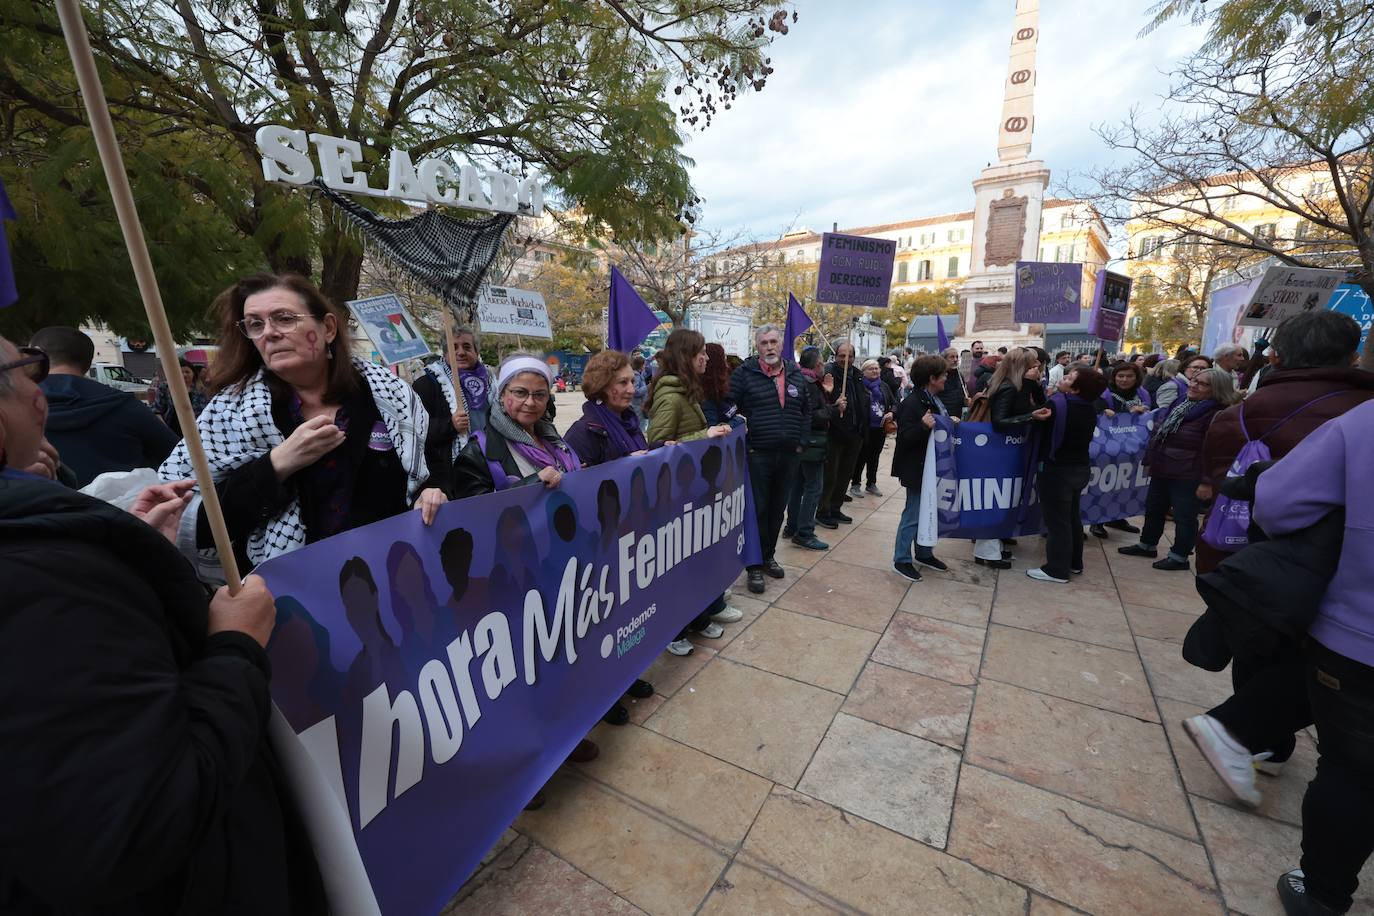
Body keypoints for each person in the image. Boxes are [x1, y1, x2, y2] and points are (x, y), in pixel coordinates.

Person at [0, 333, 327, 914]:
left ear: (326, 329)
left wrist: (130, 550)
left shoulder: (50, 552)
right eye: (28, 371)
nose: (41, 390)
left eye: (34, 367)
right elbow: (139, 820)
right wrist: (235, 646)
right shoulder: (37, 578)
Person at [159, 274, 446, 572]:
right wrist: (276, 465)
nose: (269, 333)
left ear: (328, 329)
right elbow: (193, 524)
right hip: (285, 590)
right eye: (255, 324)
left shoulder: (389, 395)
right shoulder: (229, 414)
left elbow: (431, 464)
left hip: (390, 575)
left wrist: (432, 490)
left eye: (284, 319)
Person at [1247, 401, 1374, 915]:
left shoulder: (1362, 423)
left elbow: (1276, 504)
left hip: (1360, 629)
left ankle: (1321, 892)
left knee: (1352, 769)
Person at [1199, 310, 1373, 575]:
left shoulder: (1234, 415)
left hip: (1240, 563)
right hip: (1346, 567)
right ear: (1353, 357)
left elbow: (1222, 481)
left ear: (1274, 357)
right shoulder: (1365, 411)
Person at [559, 349, 659, 725]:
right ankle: (603, 693)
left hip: (630, 534)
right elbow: (576, 490)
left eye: (633, 381)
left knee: (627, 614)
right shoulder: (584, 432)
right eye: (623, 382)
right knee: (602, 622)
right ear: (602, 386)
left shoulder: (629, 421)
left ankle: (625, 674)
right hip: (600, 542)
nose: (632, 389)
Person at [642, 329, 734, 650]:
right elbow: (657, 446)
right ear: (686, 356)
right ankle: (674, 630)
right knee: (678, 566)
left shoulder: (686, 390)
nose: (706, 358)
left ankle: (696, 617)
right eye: (700, 353)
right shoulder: (671, 396)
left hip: (692, 490)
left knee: (695, 561)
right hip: (675, 495)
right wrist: (704, 436)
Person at [1118, 367, 1242, 571]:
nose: (1194, 385)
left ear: (1217, 389)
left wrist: (1206, 481)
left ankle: (1179, 556)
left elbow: (1214, 450)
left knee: (1184, 516)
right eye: (1194, 380)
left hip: (1190, 473)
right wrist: (1150, 460)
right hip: (1163, 465)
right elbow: (1160, 432)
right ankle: (1147, 544)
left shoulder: (1218, 414)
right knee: (1154, 508)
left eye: (1202, 384)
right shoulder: (1181, 402)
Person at [30, 325, 178, 487]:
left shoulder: (16, 410)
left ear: (37, 355)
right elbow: (177, 456)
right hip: (126, 501)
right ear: (88, 362)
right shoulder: (124, 405)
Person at [730, 324, 807, 594]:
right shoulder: (744, 374)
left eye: (773, 342)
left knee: (777, 510)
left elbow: (806, 410)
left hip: (789, 455)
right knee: (757, 511)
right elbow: (729, 407)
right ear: (757, 346)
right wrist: (744, 434)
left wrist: (801, 442)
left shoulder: (795, 374)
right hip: (758, 454)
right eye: (764, 343)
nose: (769, 347)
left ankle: (768, 556)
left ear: (781, 345)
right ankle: (753, 566)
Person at [1027, 366, 1108, 583]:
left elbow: (1038, 425)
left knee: (1057, 522)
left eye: (1070, 378)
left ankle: (1056, 569)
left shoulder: (1058, 404)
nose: (1064, 378)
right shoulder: (1090, 406)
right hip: (1079, 468)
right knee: (1072, 518)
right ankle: (1074, 562)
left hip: (1057, 470)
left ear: (1076, 389)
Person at [978, 348, 1048, 568]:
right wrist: (1030, 416)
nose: (1038, 368)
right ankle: (987, 552)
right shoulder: (1008, 387)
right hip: (1000, 452)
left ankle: (993, 545)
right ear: (1021, 367)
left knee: (1005, 499)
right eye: (1033, 365)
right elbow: (999, 422)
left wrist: (1035, 386)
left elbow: (1041, 403)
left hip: (1011, 450)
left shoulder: (1021, 385)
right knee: (996, 500)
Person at [890, 355, 953, 581]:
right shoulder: (911, 403)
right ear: (932, 378)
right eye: (943, 375)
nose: (946, 378)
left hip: (931, 467)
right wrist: (922, 426)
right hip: (916, 468)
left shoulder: (932, 400)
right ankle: (901, 559)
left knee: (929, 511)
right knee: (914, 513)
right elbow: (904, 438)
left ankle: (924, 552)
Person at [413, 325, 497, 494]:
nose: (460, 352)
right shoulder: (427, 383)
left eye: (467, 347)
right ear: (445, 353)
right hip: (450, 476)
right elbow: (416, 431)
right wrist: (450, 425)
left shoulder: (492, 382)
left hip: (491, 465)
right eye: (454, 347)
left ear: (476, 351)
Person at [1088, 361, 1151, 539]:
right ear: (1114, 377)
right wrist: (1104, 412)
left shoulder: (1142, 394)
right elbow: (1095, 413)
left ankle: (1117, 517)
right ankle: (1097, 521)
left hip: (1133, 447)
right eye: (1120, 376)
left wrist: (1143, 411)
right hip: (1108, 448)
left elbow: (1150, 412)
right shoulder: (1104, 393)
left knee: (1124, 483)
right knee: (1104, 483)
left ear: (1137, 378)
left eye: (1129, 376)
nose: (1124, 380)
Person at [783, 346, 836, 550]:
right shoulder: (811, 384)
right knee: (813, 487)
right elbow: (812, 415)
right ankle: (804, 532)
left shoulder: (796, 380)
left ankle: (792, 526)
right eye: (822, 363)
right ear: (817, 364)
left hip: (798, 442)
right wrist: (833, 410)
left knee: (797, 486)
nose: (824, 367)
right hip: (811, 442)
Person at [817, 341, 868, 529]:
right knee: (830, 475)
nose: (846, 360)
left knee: (845, 475)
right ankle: (823, 511)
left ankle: (835, 507)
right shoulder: (828, 374)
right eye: (842, 356)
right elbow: (821, 402)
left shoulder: (857, 375)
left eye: (850, 356)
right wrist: (833, 402)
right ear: (835, 355)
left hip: (854, 432)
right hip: (834, 432)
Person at [849, 358, 895, 499]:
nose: (875, 371)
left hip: (879, 428)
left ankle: (871, 483)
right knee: (861, 456)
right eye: (871, 368)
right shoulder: (858, 386)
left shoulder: (884, 386)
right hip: (864, 428)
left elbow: (894, 403)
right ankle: (855, 483)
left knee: (874, 457)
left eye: (876, 368)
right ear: (863, 371)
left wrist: (892, 412)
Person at [152, 357, 212, 438]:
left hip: (196, 432)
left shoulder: (202, 391)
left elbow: (208, 412)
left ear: (193, 374)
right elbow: (156, 411)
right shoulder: (165, 388)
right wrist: (165, 430)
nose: (184, 375)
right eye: (180, 372)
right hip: (170, 431)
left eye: (187, 372)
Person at [700, 342, 744, 429]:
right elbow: (713, 430)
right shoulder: (706, 398)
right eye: (724, 360)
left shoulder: (723, 388)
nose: (727, 365)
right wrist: (739, 421)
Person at [937, 347, 969, 418]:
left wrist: (965, 401)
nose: (955, 360)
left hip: (957, 416)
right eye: (952, 357)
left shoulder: (959, 375)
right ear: (944, 359)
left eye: (957, 357)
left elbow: (962, 393)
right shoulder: (939, 376)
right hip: (942, 416)